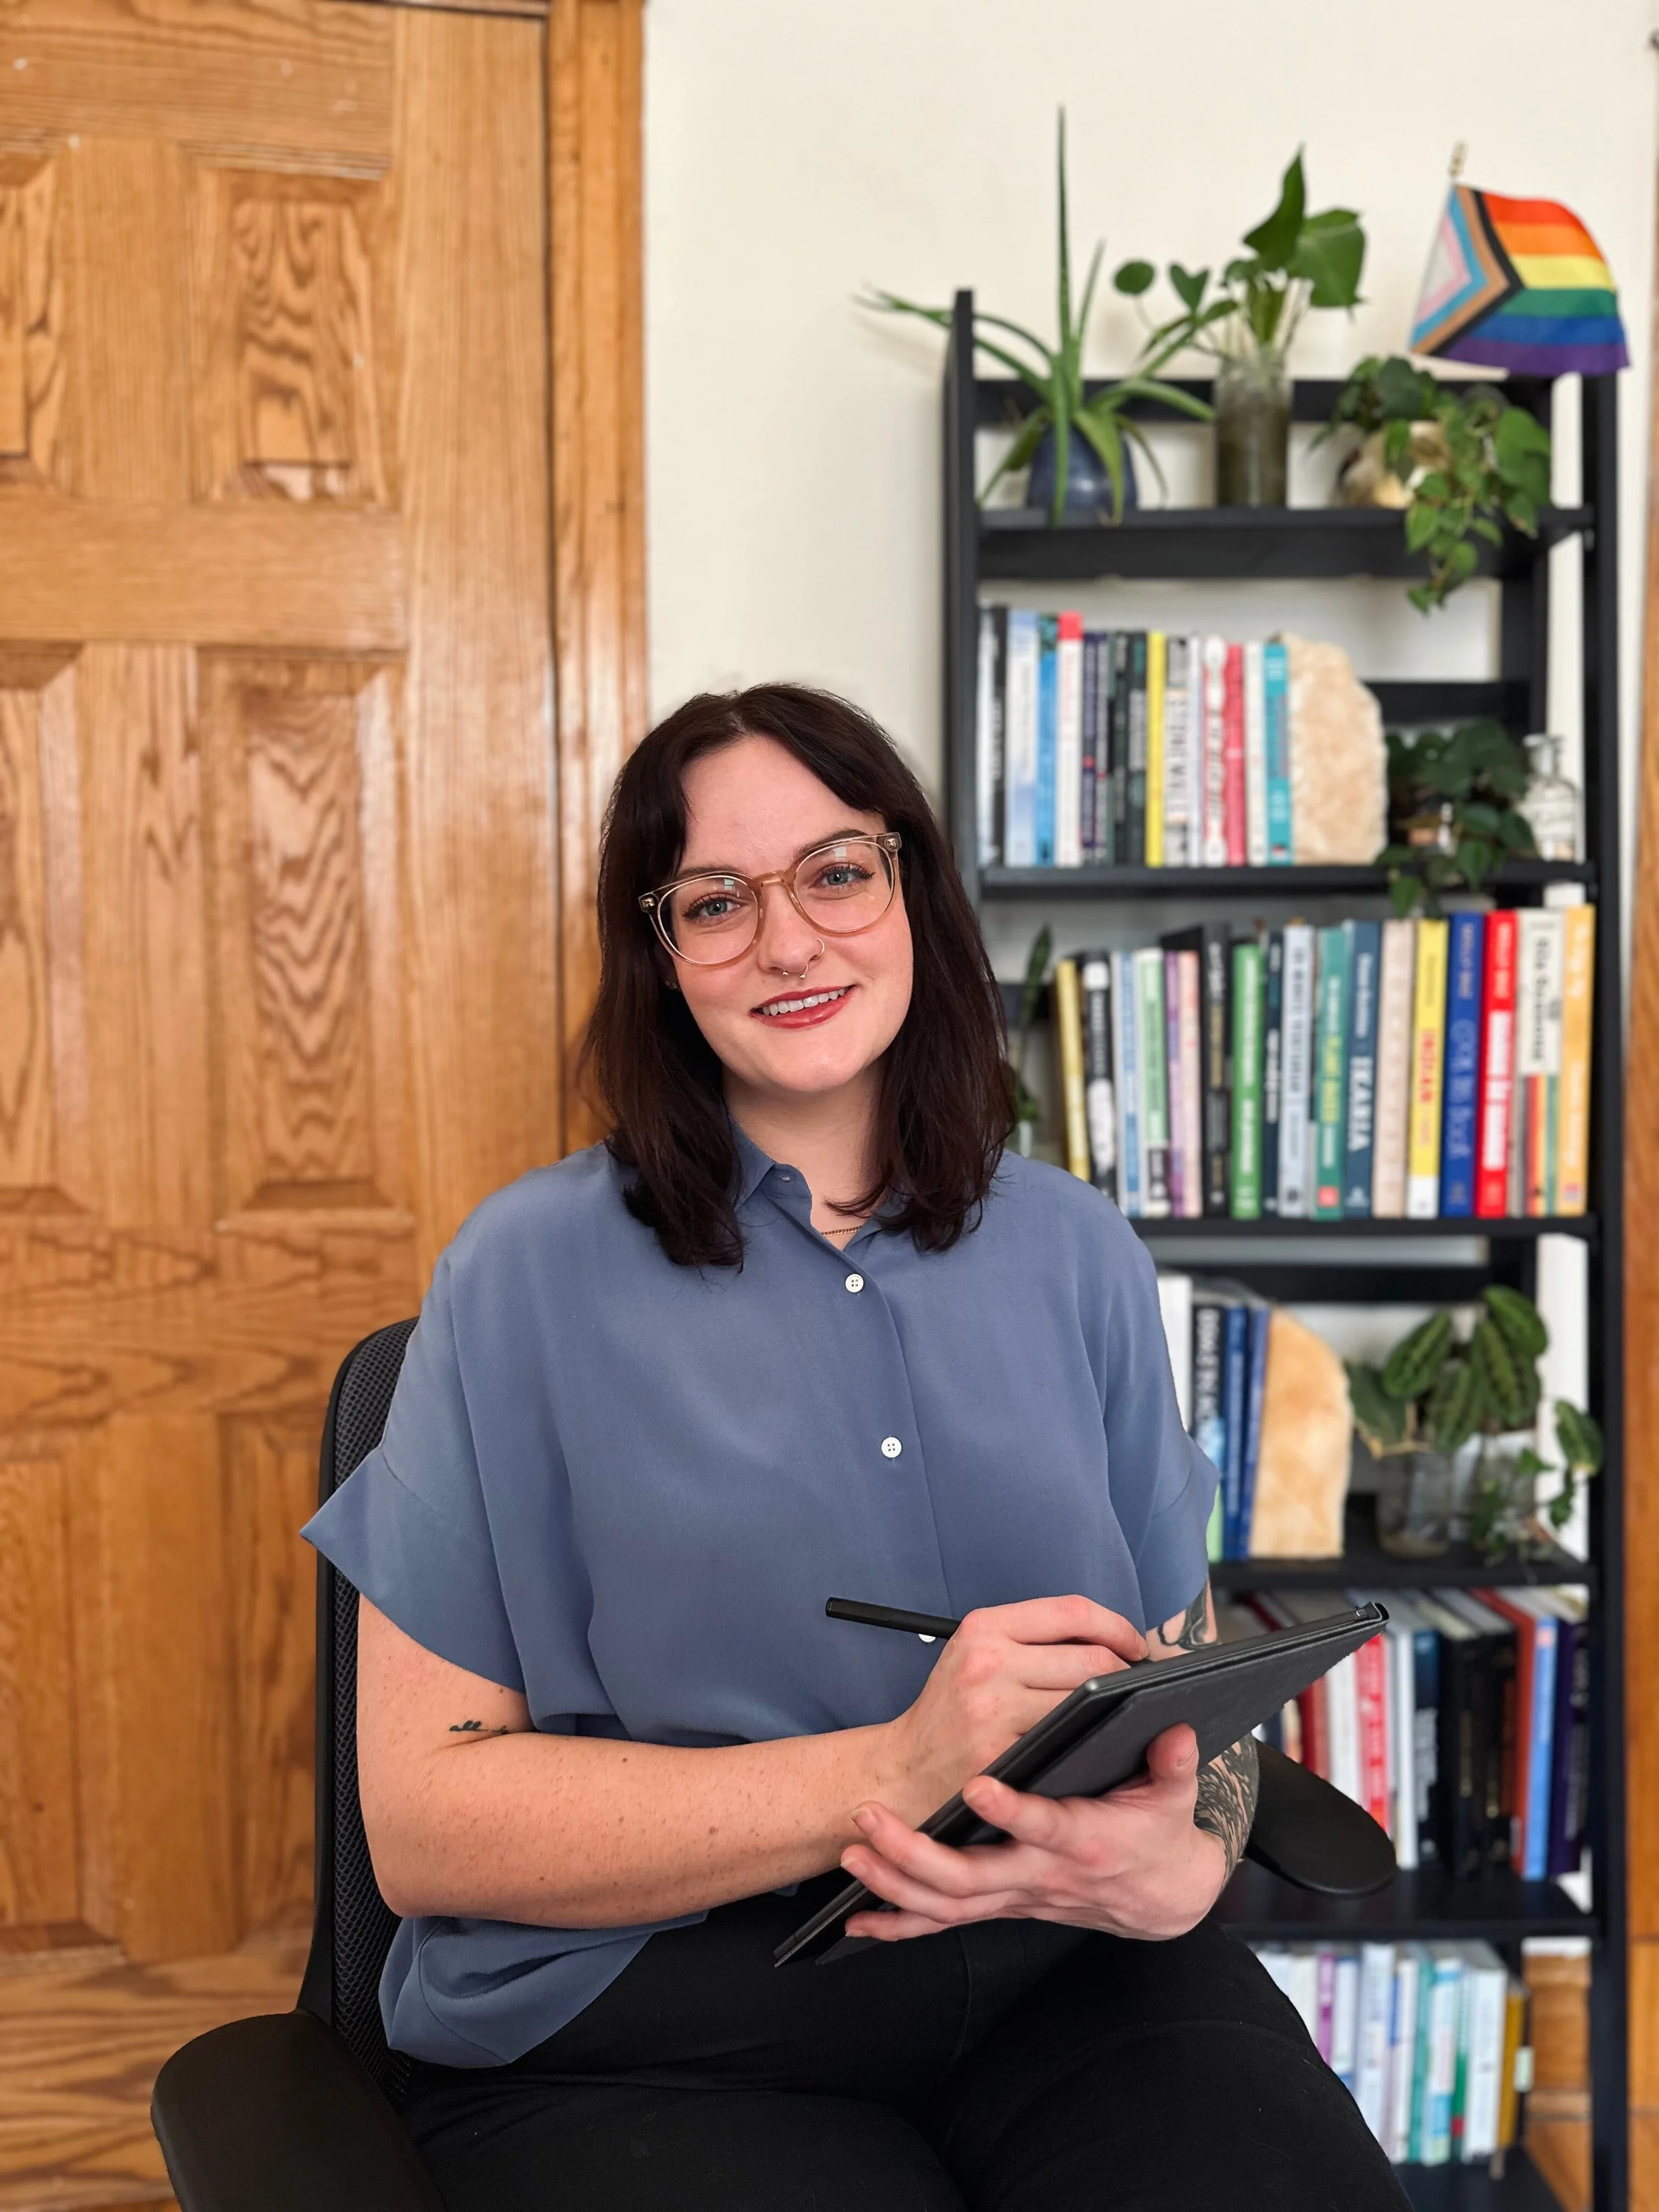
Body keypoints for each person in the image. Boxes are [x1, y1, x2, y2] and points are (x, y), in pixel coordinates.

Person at [304, 685, 1408, 2212]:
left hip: (1061, 1965)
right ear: (659, 951)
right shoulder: (519, 1276)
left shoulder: (1077, 1250)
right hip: (650, 2022)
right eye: (715, 901)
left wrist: (1184, 1860)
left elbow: (1185, 1677)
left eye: (834, 872)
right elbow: (427, 1829)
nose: (787, 940)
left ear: (908, 890)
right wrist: (888, 1773)